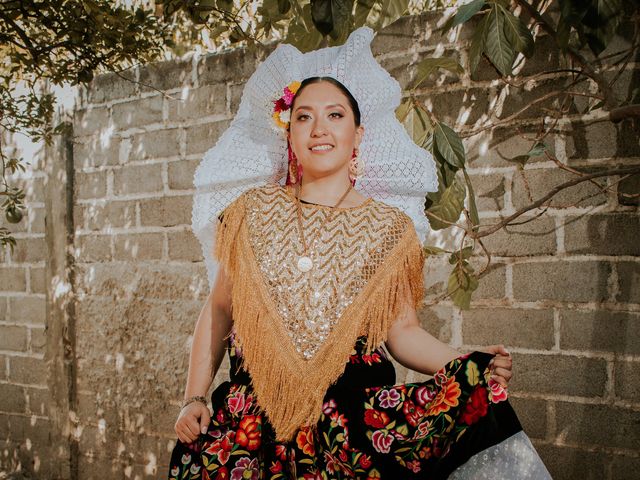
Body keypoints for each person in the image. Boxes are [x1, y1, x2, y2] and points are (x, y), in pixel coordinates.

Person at [167, 27, 551, 479]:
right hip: (250, 432)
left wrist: (464, 363)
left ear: (357, 132)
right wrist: (195, 396)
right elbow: (219, 308)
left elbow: (403, 331)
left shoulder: (389, 229)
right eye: (305, 117)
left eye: (335, 114)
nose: (320, 128)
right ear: (288, 132)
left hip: (349, 433)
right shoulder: (250, 211)